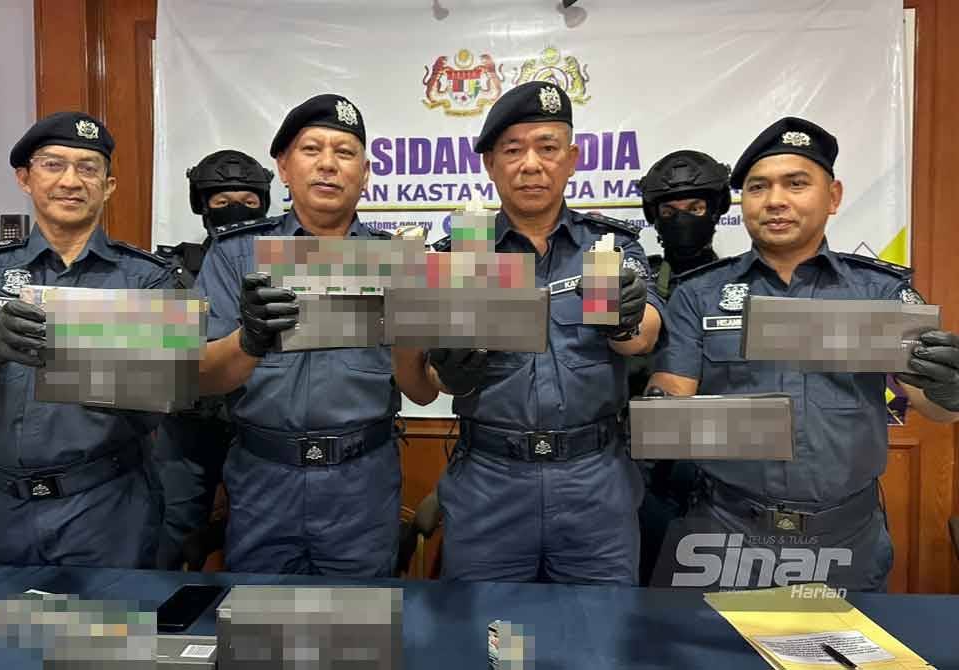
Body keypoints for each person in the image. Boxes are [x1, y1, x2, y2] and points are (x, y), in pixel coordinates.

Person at [648, 117, 959, 591]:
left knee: (836, 663)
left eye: (796, 184)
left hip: (845, 536)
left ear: (832, 197)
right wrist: (651, 416)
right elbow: (671, 402)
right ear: (743, 202)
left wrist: (949, 389)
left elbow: (932, 407)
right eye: (758, 187)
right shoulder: (700, 295)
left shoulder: (883, 292)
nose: (775, 200)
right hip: (726, 530)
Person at [393, 81, 665, 584]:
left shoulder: (607, 246)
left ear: (573, 158)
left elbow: (641, 335)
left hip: (594, 483)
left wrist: (627, 314)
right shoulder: (457, 256)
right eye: (513, 150)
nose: (531, 164)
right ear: (490, 164)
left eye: (547, 147)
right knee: (488, 639)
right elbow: (424, 385)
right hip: (491, 481)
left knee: (598, 641)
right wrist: (439, 362)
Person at [0, 112, 182, 567]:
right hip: (4, 508)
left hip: (109, 507)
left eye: (87, 168)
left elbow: (174, 393)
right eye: (53, 164)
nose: (70, 180)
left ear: (108, 185)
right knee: (0, 635)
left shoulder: (149, 279)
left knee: (112, 635)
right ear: (24, 178)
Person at [196, 94, 404, 576]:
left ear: (366, 172)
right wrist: (246, 341)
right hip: (264, 478)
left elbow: (419, 383)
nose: (329, 165)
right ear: (284, 169)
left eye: (345, 153)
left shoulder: (398, 259)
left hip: (362, 482)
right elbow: (200, 376)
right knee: (259, 632)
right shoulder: (234, 254)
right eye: (312, 150)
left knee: (360, 636)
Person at [151, 150, 273, 569]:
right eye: (221, 202)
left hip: (259, 421)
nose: (235, 210)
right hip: (190, 426)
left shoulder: (289, 263)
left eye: (248, 200)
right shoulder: (168, 269)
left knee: (260, 543)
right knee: (169, 536)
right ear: (201, 207)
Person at [632, 150, 731, 585]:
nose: (682, 219)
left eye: (695, 208)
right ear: (653, 217)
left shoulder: (742, 285)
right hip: (645, 461)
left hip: (723, 462)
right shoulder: (635, 284)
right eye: (669, 211)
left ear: (716, 211)